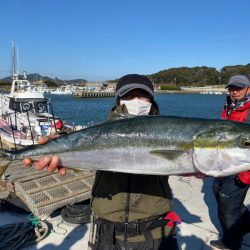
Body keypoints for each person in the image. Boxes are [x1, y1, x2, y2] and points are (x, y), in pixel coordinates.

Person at [24, 74, 180, 250]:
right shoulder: (102, 132)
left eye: (141, 95)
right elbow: (82, 140)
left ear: (151, 99)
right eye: (129, 95)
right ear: (118, 100)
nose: (136, 101)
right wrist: (58, 143)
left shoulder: (169, 133)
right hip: (106, 232)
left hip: (154, 232)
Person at [210, 75, 250, 250]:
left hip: (241, 167)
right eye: (232, 88)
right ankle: (247, 223)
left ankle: (232, 242)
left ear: (248, 89)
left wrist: (246, 175)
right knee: (217, 192)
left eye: (239, 88)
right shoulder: (229, 106)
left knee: (228, 208)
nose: (235, 91)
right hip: (224, 164)